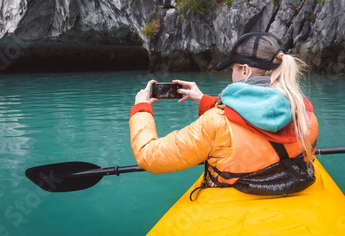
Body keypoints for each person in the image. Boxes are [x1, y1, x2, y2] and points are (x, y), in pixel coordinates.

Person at [129, 32, 318, 196]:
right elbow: (250, 116)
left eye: (233, 69)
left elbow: (149, 156)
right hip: (292, 186)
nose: (231, 75)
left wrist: (141, 108)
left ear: (245, 70)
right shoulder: (306, 113)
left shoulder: (215, 124)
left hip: (237, 196)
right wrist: (203, 99)